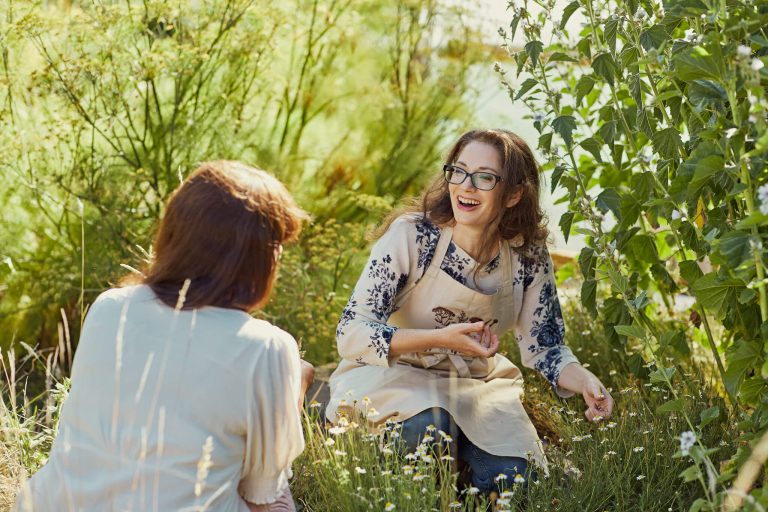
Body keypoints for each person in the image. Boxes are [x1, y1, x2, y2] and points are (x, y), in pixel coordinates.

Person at [326, 129, 614, 492]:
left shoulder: (528, 255)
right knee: (428, 429)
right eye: (459, 171)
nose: (466, 186)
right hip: (393, 376)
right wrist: (438, 339)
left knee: (518, 482)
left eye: (485, 178)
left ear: (513, 194)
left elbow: (546, 348)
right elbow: (351, 332)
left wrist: (586, 380)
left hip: (475, 387)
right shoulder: (413, 237)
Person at [16, 161, 314, 512]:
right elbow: (260, 492)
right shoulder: (266, 347)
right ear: (260, 258)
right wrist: (287, 397)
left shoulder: (111, 307)